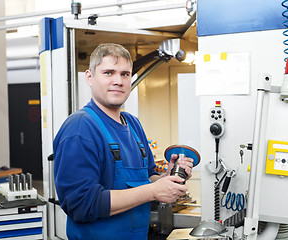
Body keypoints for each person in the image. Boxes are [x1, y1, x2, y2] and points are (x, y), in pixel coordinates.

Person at [53, 43, 194, 240]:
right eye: (108, 73)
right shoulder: (80, 128)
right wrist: (153, 191)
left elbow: (147, 177)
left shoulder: (133, 124)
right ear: (89, 77)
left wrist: (166, 179)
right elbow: (82, 204)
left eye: (125, 74)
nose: (118, 81)